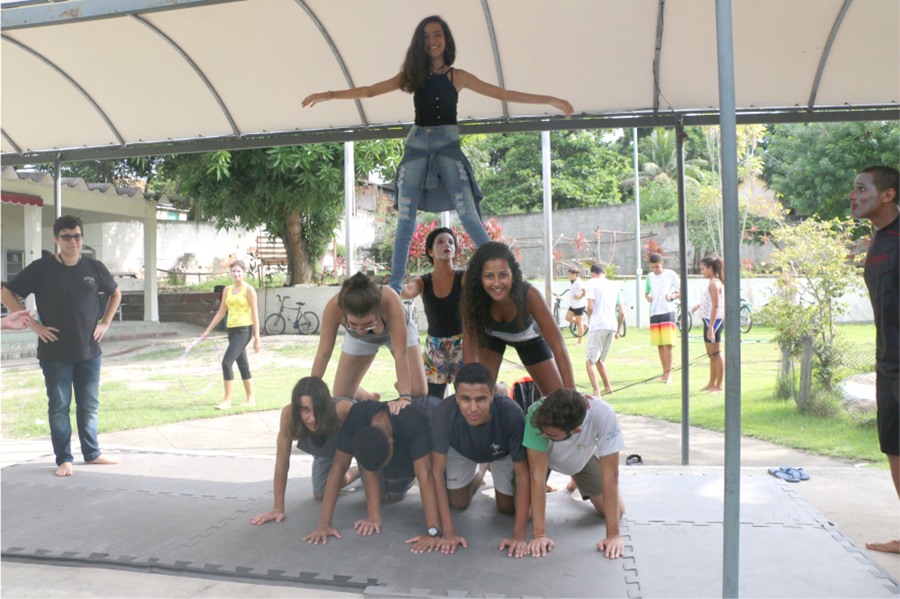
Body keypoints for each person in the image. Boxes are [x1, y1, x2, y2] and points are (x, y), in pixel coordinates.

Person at [301, 15, 573, 294]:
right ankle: (394, 288)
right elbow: (370, 92)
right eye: (426, 36)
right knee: (405, 219)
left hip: (447, 146)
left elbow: (502, 94)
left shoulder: (459, 76)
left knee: (469, 215)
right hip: (417, 145)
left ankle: (507, 277)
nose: (432, 41)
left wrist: (549, 100)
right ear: (420, 43)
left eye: (437, 34)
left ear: (446, 40)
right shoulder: (413, 76)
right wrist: (329, 94)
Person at [1, 215, 121, 476]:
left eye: (76, 235)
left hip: (89, 349)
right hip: (54, 351)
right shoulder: (41, 268)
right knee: (59, 406)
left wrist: (106, 323)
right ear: (56, 239)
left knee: (89, 405)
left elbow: (115, 293)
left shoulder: (94, 267)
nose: (72, 241)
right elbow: (7, 292)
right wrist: (33, 325)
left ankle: (92, 453)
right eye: (66, 236)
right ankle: (64, 459)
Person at [302, 395, 443, 554]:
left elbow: (426, 475)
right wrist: (324, 524)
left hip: (431, 424)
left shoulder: (412, 420)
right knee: (394, 494)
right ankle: (405, 476)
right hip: (398, 442)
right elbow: (338, 467)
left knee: (454, 497)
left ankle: (476, 474)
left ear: (391, 442)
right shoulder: (358, 415)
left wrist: (433, 532)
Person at [429, 363, 531, 558]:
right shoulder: (444, 412)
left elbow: (522, 472)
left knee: (506, 507)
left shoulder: (511, 412)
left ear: (491, 396)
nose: (473, 408)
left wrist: (519, 535)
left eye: (481, 399)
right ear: (456, 396)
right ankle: (483, 468)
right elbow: (436, 470)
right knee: (458, 503)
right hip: (462, 450)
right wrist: (449, 532)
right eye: (465, 399)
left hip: (501, 452)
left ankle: (501, 387)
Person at [850, 165, 899, 554]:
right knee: (894, 447)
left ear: (888, 195)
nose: (853, 196)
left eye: (862, 189)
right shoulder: (877, 241)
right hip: (889, 363)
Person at [462, 242, 575, 396]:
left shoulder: (530, 295)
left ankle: (500, 390)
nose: (496, 283)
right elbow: (469, 342)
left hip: (529, 341)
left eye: (503, 275)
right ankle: (499, 389)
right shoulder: (473, 295)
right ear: (479, 278)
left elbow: (558, 346)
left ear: (513, 275)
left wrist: (572, 393)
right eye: (489, 276)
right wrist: (470, 387)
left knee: (558, 400)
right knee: (480, 391)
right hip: (492, 338)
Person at [524, 388, 626, 559]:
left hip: (581, 456)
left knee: (618, 511)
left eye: (549, 434)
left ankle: (576, 477)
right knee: (522, 511)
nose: (543, 434)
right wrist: (539, 535)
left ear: (576, 430)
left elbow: (611, 476)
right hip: (543, 458)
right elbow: (537, 476)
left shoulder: (604, 414)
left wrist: (613, 536)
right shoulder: (538, 412)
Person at [250, 377, 362, 525]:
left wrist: (374, 516)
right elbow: (282, 464)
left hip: (359, 446)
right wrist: (278, 508)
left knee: (383, 495)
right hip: (328, 450)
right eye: (305, 410)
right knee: (321, 492)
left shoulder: (343, 410)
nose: (313, 418)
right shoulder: (289, 415)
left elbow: (367, 451)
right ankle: (356, 472)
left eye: (317, 409)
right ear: (297, 409)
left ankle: (363, 397)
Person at [314, 272, 427, 402]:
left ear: (378, 311)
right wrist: (310, 391)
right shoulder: (333, 308)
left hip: (397, 331)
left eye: (368, 323)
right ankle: (368, 397)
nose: (361, 330)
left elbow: (400, 354)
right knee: (341, 395)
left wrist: (405, 395)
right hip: (358, 341)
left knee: (418, 391)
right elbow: (323, 354)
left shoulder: (390, 300)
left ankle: (402, 384)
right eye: (353, 324)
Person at [402, 227, 464, 398]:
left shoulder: (464, 277)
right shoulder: (423, 281)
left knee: (466, 396)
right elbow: (405, 292)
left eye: (451, 242)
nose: (447, 245)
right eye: (440, 242)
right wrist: (395, 277)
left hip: (462, 345)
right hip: (434, 348)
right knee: (431, 400)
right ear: (430, 251)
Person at [200, 260, 261, 410]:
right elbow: (221, 312)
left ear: (244, 272)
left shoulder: (249, 290)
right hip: (231, 330)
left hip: (244, 330)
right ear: (230, 273)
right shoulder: (227, 289)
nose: (236, 274)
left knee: (227, 363)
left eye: (239, 271)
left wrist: (257, 338)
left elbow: (255, 314)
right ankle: (251, 399)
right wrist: (207, 331)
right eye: (233, 271)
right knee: (243, 364)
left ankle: (227, 400)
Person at [585, 264, 624, 396]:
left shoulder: (591, 282)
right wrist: (618, 330)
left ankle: (597, 392)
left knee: (590, 361)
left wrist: (590, 320)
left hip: (598, 325)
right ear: (605, 273)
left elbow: (590, 307)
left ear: (593, 274)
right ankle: (608, 387)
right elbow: (622, 312)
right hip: (612, 325)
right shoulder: (615, 285)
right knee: (600, 360)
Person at [645, 253, 681, 384]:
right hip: (654, 313)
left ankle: (669, 375)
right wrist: (648, 296)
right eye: (652, 267)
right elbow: (647, 292)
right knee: (659, 345)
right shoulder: (649, 277)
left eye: (657, 267)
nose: (654, 270)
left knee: (668, 344)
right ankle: (664, 373)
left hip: (667, 311)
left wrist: (672, 297)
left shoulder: (670, 273)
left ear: (662, 264)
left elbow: (682, 289)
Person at [691, 255, 725, 393]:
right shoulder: (712, 283)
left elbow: (716, 306)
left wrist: (711, 327)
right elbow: (710, 301)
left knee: (716, 353)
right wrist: (699, 306)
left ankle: (719, 385)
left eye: (703, 269)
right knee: (711, 355)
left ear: (711, 268)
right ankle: (711, 383)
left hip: (715, 322)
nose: (701, 272)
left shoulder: (715, 283)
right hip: (708, 320)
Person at [565, 267, 587, 345]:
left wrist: (580, 297)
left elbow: (584, 290)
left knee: (579, 323)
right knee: (568, 317)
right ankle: (584, 325)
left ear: (575, 274)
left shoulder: (578, 282)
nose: (569, 276)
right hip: (573, 305)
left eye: (570, 275)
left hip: (579, 305)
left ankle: (580, 341)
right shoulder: (573, 281)